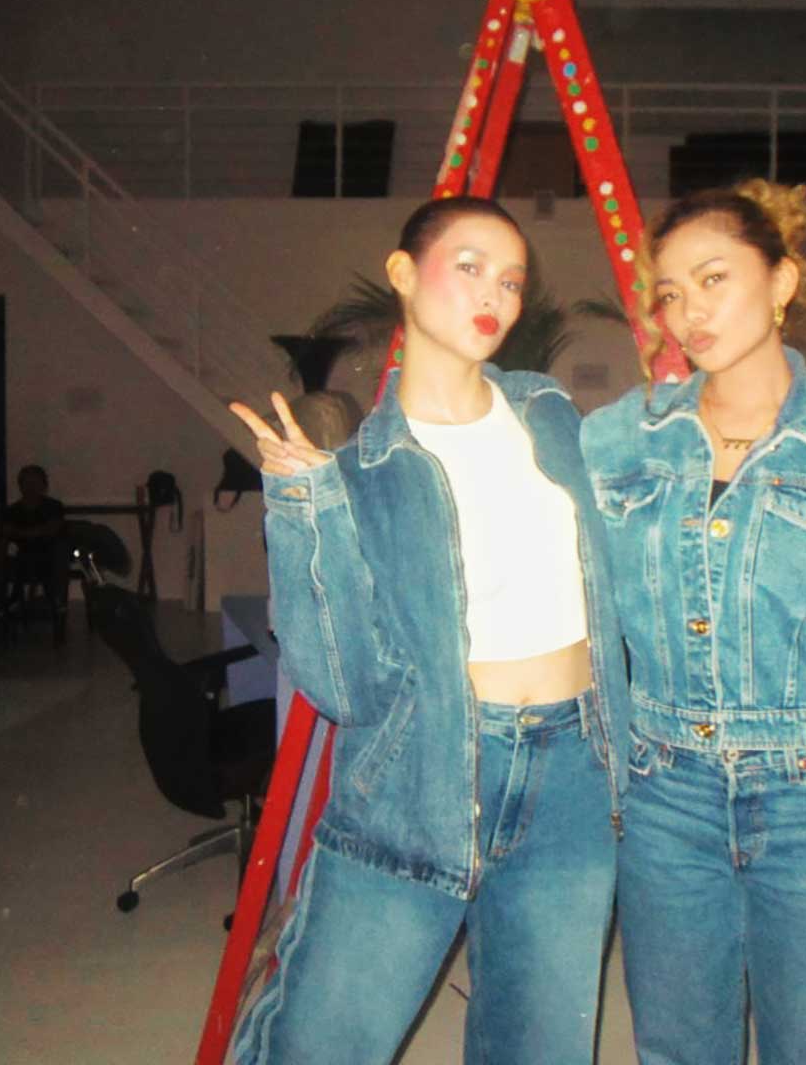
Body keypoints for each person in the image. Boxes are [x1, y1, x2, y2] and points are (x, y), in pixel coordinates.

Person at [227, 196, 629, 1065]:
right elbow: (341, 686)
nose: (495, 294)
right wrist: (301, 506)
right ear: (403, 274)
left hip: (575, 770)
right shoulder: (358, 472)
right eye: (471, 266)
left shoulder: (551, 416)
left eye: (512, 280)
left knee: (541, 1051)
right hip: (420, 770)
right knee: (319, 1045)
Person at [581, 180, 806, 1064]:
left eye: (714, 279)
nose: (689, 314)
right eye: (671, 293)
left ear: (782, 281)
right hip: (666, 801)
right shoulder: (618, 443)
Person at [0, 464, 68, 630]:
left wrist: (21, 532)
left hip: (50, 557)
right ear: (20, 486)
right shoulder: (12, 511)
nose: (31, 487)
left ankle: (57, 607)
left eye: (35, 482)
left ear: (44, 486)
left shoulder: (53, 506)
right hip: (22, 558)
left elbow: (53, 529)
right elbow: (6, 532)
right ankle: (3, 603)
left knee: (59, 553)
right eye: (27, 483)